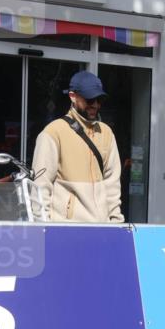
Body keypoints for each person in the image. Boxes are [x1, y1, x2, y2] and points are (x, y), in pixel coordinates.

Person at [31, 70, 123, 223]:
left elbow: (112, 183)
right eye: (90, 99)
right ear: (72, 96)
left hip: (103, 227)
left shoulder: (106, 133)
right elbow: (41, 186)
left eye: (99, 99)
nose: (95, 105)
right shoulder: (53, 132)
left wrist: (116, 222)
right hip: (66, 227)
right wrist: (43, 227)